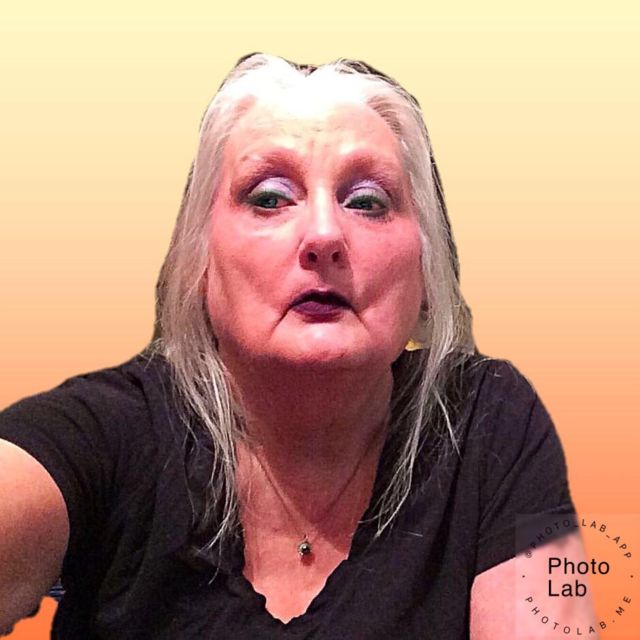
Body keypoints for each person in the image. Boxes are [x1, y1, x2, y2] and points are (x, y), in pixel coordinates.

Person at [0, 53, 585, 639]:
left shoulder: (492, 421)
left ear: (426, 269)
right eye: (270, 197)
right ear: (199, 262)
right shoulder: (112, 432)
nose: (324, 235)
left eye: (367, 202)